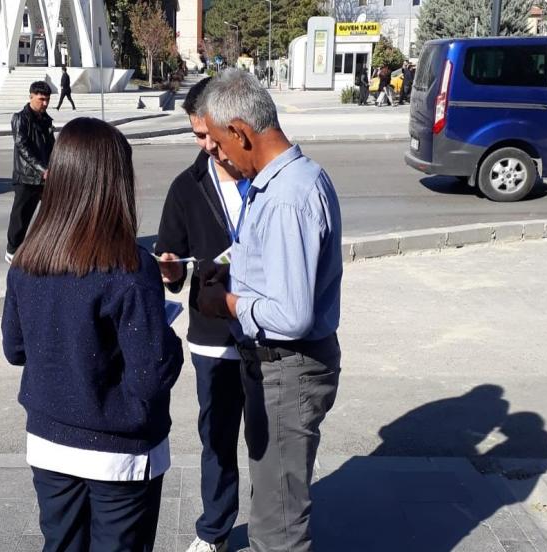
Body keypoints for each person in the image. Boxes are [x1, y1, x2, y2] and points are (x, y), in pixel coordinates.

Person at [2, 117, 184, 551]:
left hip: (49, 442)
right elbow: (150, 377)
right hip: (119, 452)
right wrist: (168, 341)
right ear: (113, 183)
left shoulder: (29, 258)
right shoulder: (129, 266)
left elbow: (15, 348)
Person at [195, 68, 343, 552]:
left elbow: (292, 315)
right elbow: (266, 262)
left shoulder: (286, 197)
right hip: (279, 368)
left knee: (277, 525)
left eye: (217, 143)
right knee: (272, 502)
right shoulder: (280, 181)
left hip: (289, 367)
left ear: (239, 132)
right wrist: (229, 272)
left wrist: (230, 302)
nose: (215, 154)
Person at [155, 77, 247, 552]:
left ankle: (278, 529)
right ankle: (215, 530)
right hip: (213, 336)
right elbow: (172, 265)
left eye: (212, 133)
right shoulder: (186, 187)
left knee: (273, 442)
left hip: (273, 332)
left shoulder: (268, 175)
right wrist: (170, 271)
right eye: (197, 135)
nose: (208, 145)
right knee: (217, 438)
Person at [5, 81, 55, 263]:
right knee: (21, 217)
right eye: (41, 99)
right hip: (26, 177)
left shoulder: (46, 119)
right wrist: (43, 170)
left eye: (48, 100)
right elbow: (22, 147)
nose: (45, 103)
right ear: (31, 96)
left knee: (53, 213)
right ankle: (12, 250)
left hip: (46, 177)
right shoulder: (20, 118)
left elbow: (52, 145)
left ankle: (46, 247)